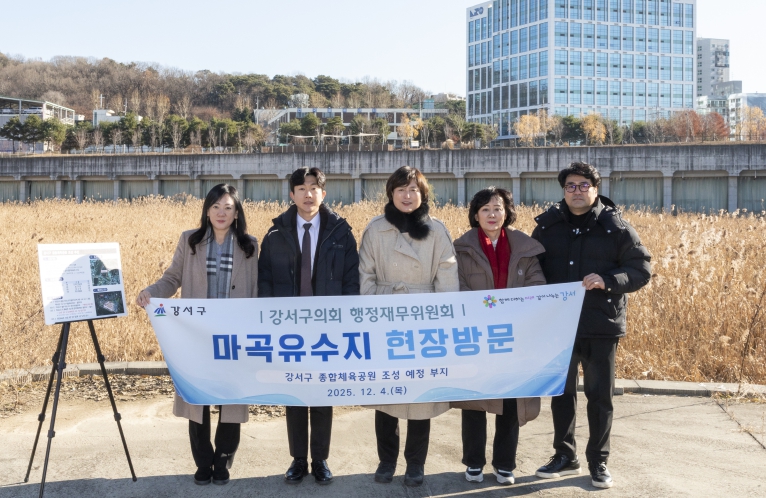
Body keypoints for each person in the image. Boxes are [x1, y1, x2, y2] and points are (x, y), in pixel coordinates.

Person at [531, 162, 651, 489]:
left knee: (600, 397)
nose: (577, 191)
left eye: (584, 185)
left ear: (595, 189)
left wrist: (609, 280)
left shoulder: (616, 227)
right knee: (561, 393)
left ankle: (598, 460)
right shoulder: (548, 226)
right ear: (564, 190)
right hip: (559, 326)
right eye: (571, 186)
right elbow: (532, 269)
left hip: (601, 324)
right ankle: (564, 455)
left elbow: (641, 270)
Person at [136, 184, 258, 486]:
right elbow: (172, 278)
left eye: (228, 207)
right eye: (216, 206)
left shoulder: (250, 245)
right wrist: (151, 292)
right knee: (197, 399)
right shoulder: (190, 240)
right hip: (197, 335)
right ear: (207, 210)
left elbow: (258, 290)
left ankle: (223, 461)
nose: (221, 213)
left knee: (231, 399)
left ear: (237, 213)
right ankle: (203, 462)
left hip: (233, 337)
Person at [258, 166, 360, 485]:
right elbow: (265, 280)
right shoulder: (276, 234)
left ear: (323, 194)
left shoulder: (340, 233)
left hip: (326, 328)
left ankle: (321, 459)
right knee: (295, 392)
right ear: (292, 194)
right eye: (301, 188)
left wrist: (344, 320)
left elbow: (351, 281)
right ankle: (298, 459)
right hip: (290, 329)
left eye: (314, 187)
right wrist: (272, 320)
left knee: (321, 392)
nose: (308, 194)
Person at [358, 165, 459, 487]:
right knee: (386, 395)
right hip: (384, 318)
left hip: (424, 321)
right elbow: (365, 276)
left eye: (413, 189)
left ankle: (416, 463)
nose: (407, 195)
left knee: (420, 397)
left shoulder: (437, 230)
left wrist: (440, 320)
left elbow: (447, 277)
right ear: (391, 193)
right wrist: (377, 312)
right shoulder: (375, 229)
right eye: (400, 189)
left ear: (423, 194)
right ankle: (386, 460)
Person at [450, 187, 546, 485]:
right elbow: (457, 287)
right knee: (475, 401)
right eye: (485, 209)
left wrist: (512, 310)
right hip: (476, 334)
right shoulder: (461, 248)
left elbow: (537, 285)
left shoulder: (524, 247)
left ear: (507, 212)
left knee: (510, 400)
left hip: (514, 335)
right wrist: (487, 310)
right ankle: (474, 462)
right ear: (476, 215)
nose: (492, 215)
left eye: (498, 208)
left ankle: (505, 464)